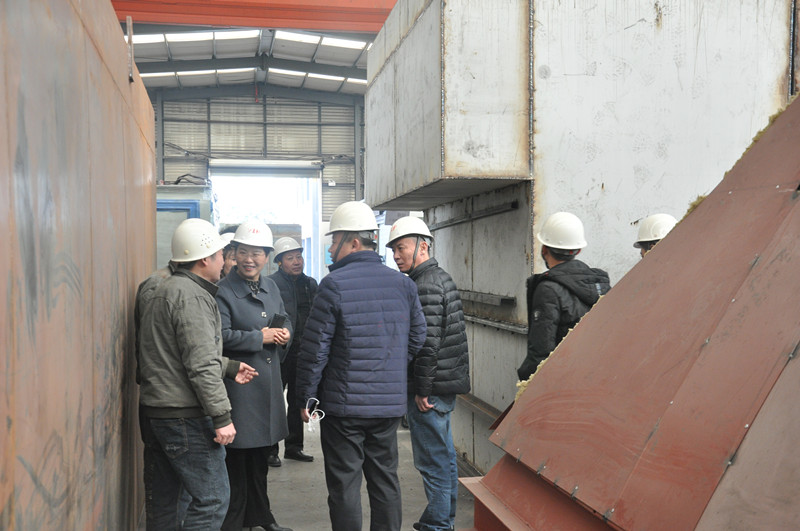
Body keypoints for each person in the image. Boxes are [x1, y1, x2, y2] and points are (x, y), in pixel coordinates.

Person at [296, 201, 427, 531]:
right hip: (387, 407)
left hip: (344, 409)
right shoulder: (404, 284)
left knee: (344, 485)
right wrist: (391, 366)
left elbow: (315, 349)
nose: (330, 249)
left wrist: (306, 398)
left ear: (353, 242)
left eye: (333, 241)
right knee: (385, 480)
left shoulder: (334, 284)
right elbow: (418, 336)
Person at [138, 218, 258, 530]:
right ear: (205, 259)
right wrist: (222, 416)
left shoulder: (166, 288)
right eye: (221, 255)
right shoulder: (191, 296)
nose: (225, 262)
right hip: (185, 417)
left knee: (166, 504)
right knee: (212, 500)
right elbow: (200, 364)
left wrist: (228, 366)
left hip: (160, 412)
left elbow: (173, 354)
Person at [387, 216, 470, 531]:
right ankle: (443, 520)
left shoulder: (423, 285)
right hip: (442, 384)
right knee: (444, 458)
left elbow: (426, 343)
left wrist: (421, 389)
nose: (396, 255)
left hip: (430, 389)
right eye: (393, 249)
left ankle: (437, 524)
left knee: (432, 461)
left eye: (401, 248)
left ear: (422, 246)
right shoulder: (439, 278)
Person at [215, 220, 293, 531]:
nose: (250, 259)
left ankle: (262, 517)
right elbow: (219, 336)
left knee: (261, 458)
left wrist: (285, 334)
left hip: (267, 385)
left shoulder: (271, 287)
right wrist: (258, 338)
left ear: (267, 256)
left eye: (257, 253)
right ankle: (234, 523)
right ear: (233, 254)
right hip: (239, 386)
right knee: (237, 460)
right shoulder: (222, 291)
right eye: (244, 252)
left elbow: (284, 318)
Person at [517, 212, 611, 381]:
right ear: (578, 250)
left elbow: (541, 350)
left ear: (544, 249)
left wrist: (526, 379)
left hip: (563, 379)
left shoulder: (548, 289)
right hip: (596, 375)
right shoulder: (600, 284)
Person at [268, 236, 318, 464]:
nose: (297, 262)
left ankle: (294, 447)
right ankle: (270, 450)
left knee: (299, 399)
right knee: (273, 401)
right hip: (278, 350)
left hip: (303, 351)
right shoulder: (270, 284)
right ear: (279, 261)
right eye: (290, 258)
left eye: (299, 257)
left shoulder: (310, 284)